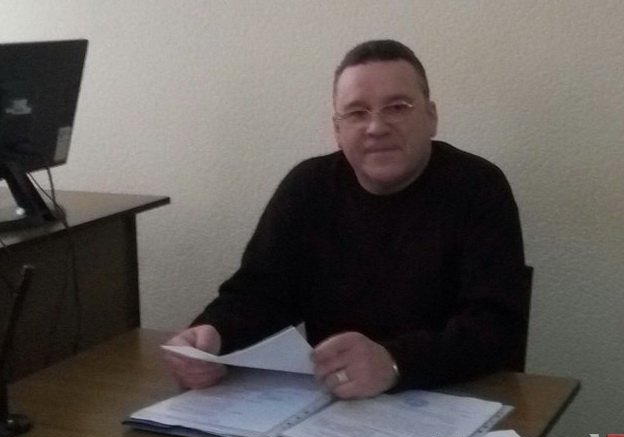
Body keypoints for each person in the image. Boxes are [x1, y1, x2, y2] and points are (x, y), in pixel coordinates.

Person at [164, 39, 526, 400]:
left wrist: (395, 363)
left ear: (431, 117)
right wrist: (213, 334)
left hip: (453, 401)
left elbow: (497, 327)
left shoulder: (478, 187)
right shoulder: (308, 187)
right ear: (337, 130)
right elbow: (260, 294)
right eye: (357, 112)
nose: (376, 127)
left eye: (397, 107)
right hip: (333, 405)